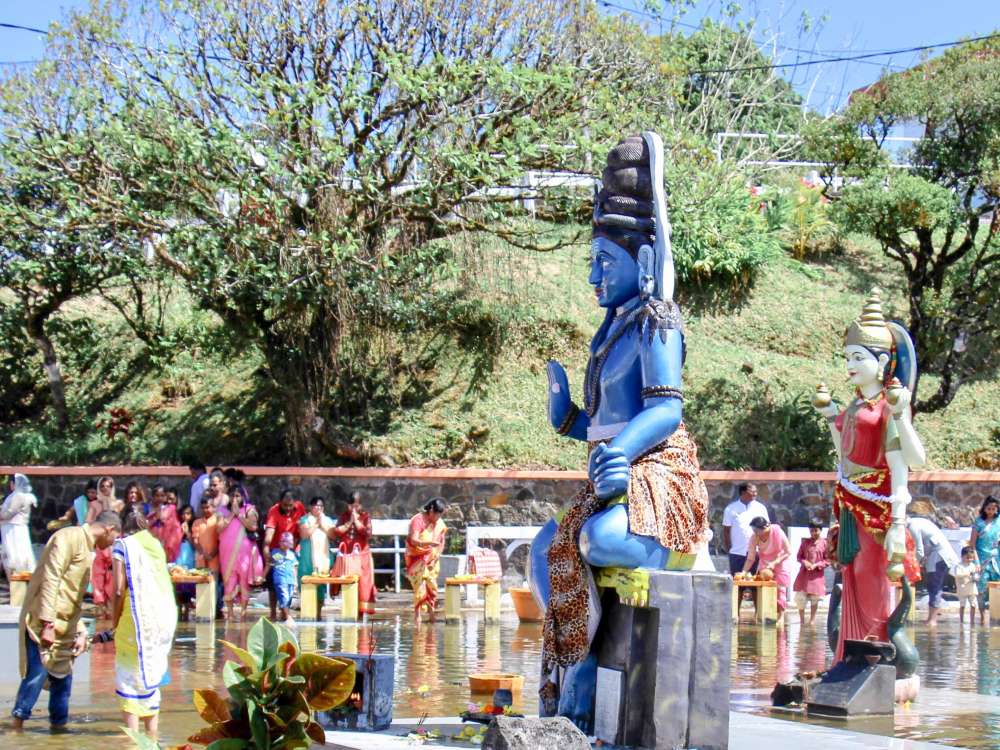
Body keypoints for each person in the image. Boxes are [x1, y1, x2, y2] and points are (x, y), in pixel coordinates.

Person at [11, 511, 122, 730]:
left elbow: (73, 595)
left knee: (63, 682)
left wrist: (80, 630)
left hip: (67, 626)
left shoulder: (88, 549)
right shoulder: (67, 537)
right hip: (44, 622)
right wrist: (48, 624)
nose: (112, 544)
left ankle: (59, 732)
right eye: (114, 538)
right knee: (36, 675)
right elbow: (51, 578)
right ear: (109, 529)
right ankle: (16, 728)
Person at [109, 511, 178, 739]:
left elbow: (119, 589)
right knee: (151, 669)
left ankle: (132, 736)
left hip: (137, 617)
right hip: (164, 616)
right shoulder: (155, 545)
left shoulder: (123, 545)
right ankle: (152, 735)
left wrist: (114, 619)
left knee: (129, 675)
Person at [907, 502, 959, 628]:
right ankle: (931, 618)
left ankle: (932, 620)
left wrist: (914, 566)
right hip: (938, 555)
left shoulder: (912, 526)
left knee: (934, 585)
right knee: (933, 585)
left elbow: (919, 549)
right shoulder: (917, 521)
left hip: (940, 556)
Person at [216, 486, 263, 620]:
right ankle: (230, 612)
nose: (235, 499)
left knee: (243, 580)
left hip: (244, 553)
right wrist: (231, 514)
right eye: (232, 496)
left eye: (238, 496)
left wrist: (239, 515)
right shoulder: (223, 510)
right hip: (227, 552)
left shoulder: (249, 509)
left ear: (243, 496)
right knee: (228, 580)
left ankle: (243, 612)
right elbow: (218, 529)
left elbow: (253, 526)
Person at [263, 489, 306, 620]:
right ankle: (273, 613)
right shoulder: (274, 511)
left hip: (291, 550)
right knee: (273, 584)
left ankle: (284, 612)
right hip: (277, 550)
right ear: (280, 503)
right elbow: (269, 534)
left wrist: (296, 545)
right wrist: (266, 548)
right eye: (285, 505)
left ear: (295, 503)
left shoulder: (299, 508)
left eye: (290, 506)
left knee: (289, 584)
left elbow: (302, 526)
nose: (288, 509)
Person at [332, 492, 376, 615]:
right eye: (351, 506)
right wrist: (349, 522)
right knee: (348, 584)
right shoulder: (344, 516)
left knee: (363, 587)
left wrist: (356, 521)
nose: (353, 509)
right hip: (347, 556)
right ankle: (350, 613)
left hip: (362, 556)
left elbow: (368, 533)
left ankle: (361, 615)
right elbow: (337, 532)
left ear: (360, 505)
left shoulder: (365, 516)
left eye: (356, 506)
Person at [405, 498, 448, 621]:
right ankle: (417, 617)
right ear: (431, 511)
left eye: (441, 516)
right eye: (437, 515)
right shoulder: (418, 520)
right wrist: (428, 543)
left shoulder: (439, 523)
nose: (438, 518)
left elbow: (441, 541)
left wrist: (436, 557)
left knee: (432, 587)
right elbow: (413, 540)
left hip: (432, 559)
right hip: (417, 558)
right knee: (420, 587)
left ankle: (431, 615)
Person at [742, 517, 792, 615]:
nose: (756, 533)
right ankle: (762, 614)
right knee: (762, 589)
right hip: (764, 563)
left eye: (757, 530)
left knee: (780, 591)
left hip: (780, 562)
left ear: (765, 527)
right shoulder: (754, 537)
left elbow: (788, 552)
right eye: (754, 530)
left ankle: (780, 616)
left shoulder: (778, 532)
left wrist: (774, 563)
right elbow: (750, 558)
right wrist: (743, 572)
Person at [723, 484, 769, 575]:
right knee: (737, 583)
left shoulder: (761, 508)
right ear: (743, 492)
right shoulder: (730, 509)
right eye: (752, 491)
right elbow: (726, 531)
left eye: (756, 491)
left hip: (756, 553)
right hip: (737, 553)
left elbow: (767, 529)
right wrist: (729, 549)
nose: (755, 494)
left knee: (755, 584)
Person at [91, 476, 120, 618]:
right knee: (98, 574)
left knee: (115, 572)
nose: (105, 488)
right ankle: (100, 603)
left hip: (115, 542)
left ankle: (112, 607)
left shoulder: (119, 504)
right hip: (100, 543)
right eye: (102, 486)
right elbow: (88, 522)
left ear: (112, 487)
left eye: (108, 486)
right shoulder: (95, 504)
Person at [970, 495, 1000, 625]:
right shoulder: (979, 523)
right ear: (984, 508)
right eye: (989, 508)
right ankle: (982, 616)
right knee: (981, 588)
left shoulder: (999, 521)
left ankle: (996, 615)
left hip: (997, 559)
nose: (991, 511)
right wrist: (976, 562)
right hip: (982, 559)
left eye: (994, 509)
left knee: (997, 587)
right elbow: (972, 544)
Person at [1, 473, 38, 576]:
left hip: (14, 530)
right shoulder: (16, 496)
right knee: (13, 555)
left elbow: (8, 514)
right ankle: (16, 582)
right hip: (11, 529)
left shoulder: (19, 496)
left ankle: (20, 582)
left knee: (17, 555)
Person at [792, 521, 828, 625]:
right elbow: (799, 557)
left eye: (816, 530)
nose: (813, 533)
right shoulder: (805, 543)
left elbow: (828, 559)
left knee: (815, 598)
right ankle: (802, 620)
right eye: (811, 531)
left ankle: (812, 620)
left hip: (817, 575)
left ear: (820, 530)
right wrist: (805, 562)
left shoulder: (825, 543)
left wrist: (817, 565)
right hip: (804, 574)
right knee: (800, 598)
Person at [265, 532, 298, 625]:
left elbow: (294, 568)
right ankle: (288, 617)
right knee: (284, 596)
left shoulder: (291, 554)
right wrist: (263, 576)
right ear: (280, 543)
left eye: (288, 542)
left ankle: (284, 615)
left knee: (289, 598)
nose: (285, 544)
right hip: (280, 579)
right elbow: (270, 565)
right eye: (283, 542)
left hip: (290, 580)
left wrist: (295, 582)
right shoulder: (277, 553)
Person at [147, 484, 183, 562]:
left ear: (166, 497)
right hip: (150, 542)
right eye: (157, 495)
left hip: (166, 543)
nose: (159, 498)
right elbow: (144, 525)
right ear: (152, 497)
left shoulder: (170, 509)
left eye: (162, 496)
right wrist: (155, 518)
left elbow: (174, 528)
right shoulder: (147, 509)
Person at [954, 546, 980, 627]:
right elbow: (957, 575)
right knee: (962, 605)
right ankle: (961, 621)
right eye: (967, 558)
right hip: (962, 589)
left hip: (972, 589)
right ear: (962, 557)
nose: (970, 560)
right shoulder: (959, 566)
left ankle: (972, 621)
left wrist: (976, 576)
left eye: (971, 558)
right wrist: (967, 574)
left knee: (973, 604)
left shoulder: (973, 565)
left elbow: (976, 575)